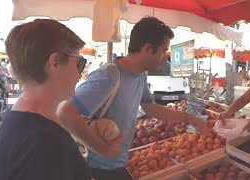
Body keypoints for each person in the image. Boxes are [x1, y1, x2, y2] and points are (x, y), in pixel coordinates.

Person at [57, 17, 207, 180]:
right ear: (148, 48)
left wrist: (188, 118)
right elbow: (65, 113)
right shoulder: (109, 76)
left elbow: (150, 107)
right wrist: (104, 150)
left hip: (118, 164)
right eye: (163, 50)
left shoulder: (139, 75)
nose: (165, 57)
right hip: (97, 169)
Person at [0, 19, 92, 180]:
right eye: (79, 64)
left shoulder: (17, 119)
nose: (79, 74)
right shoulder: (44, 142)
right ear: (54, 62)